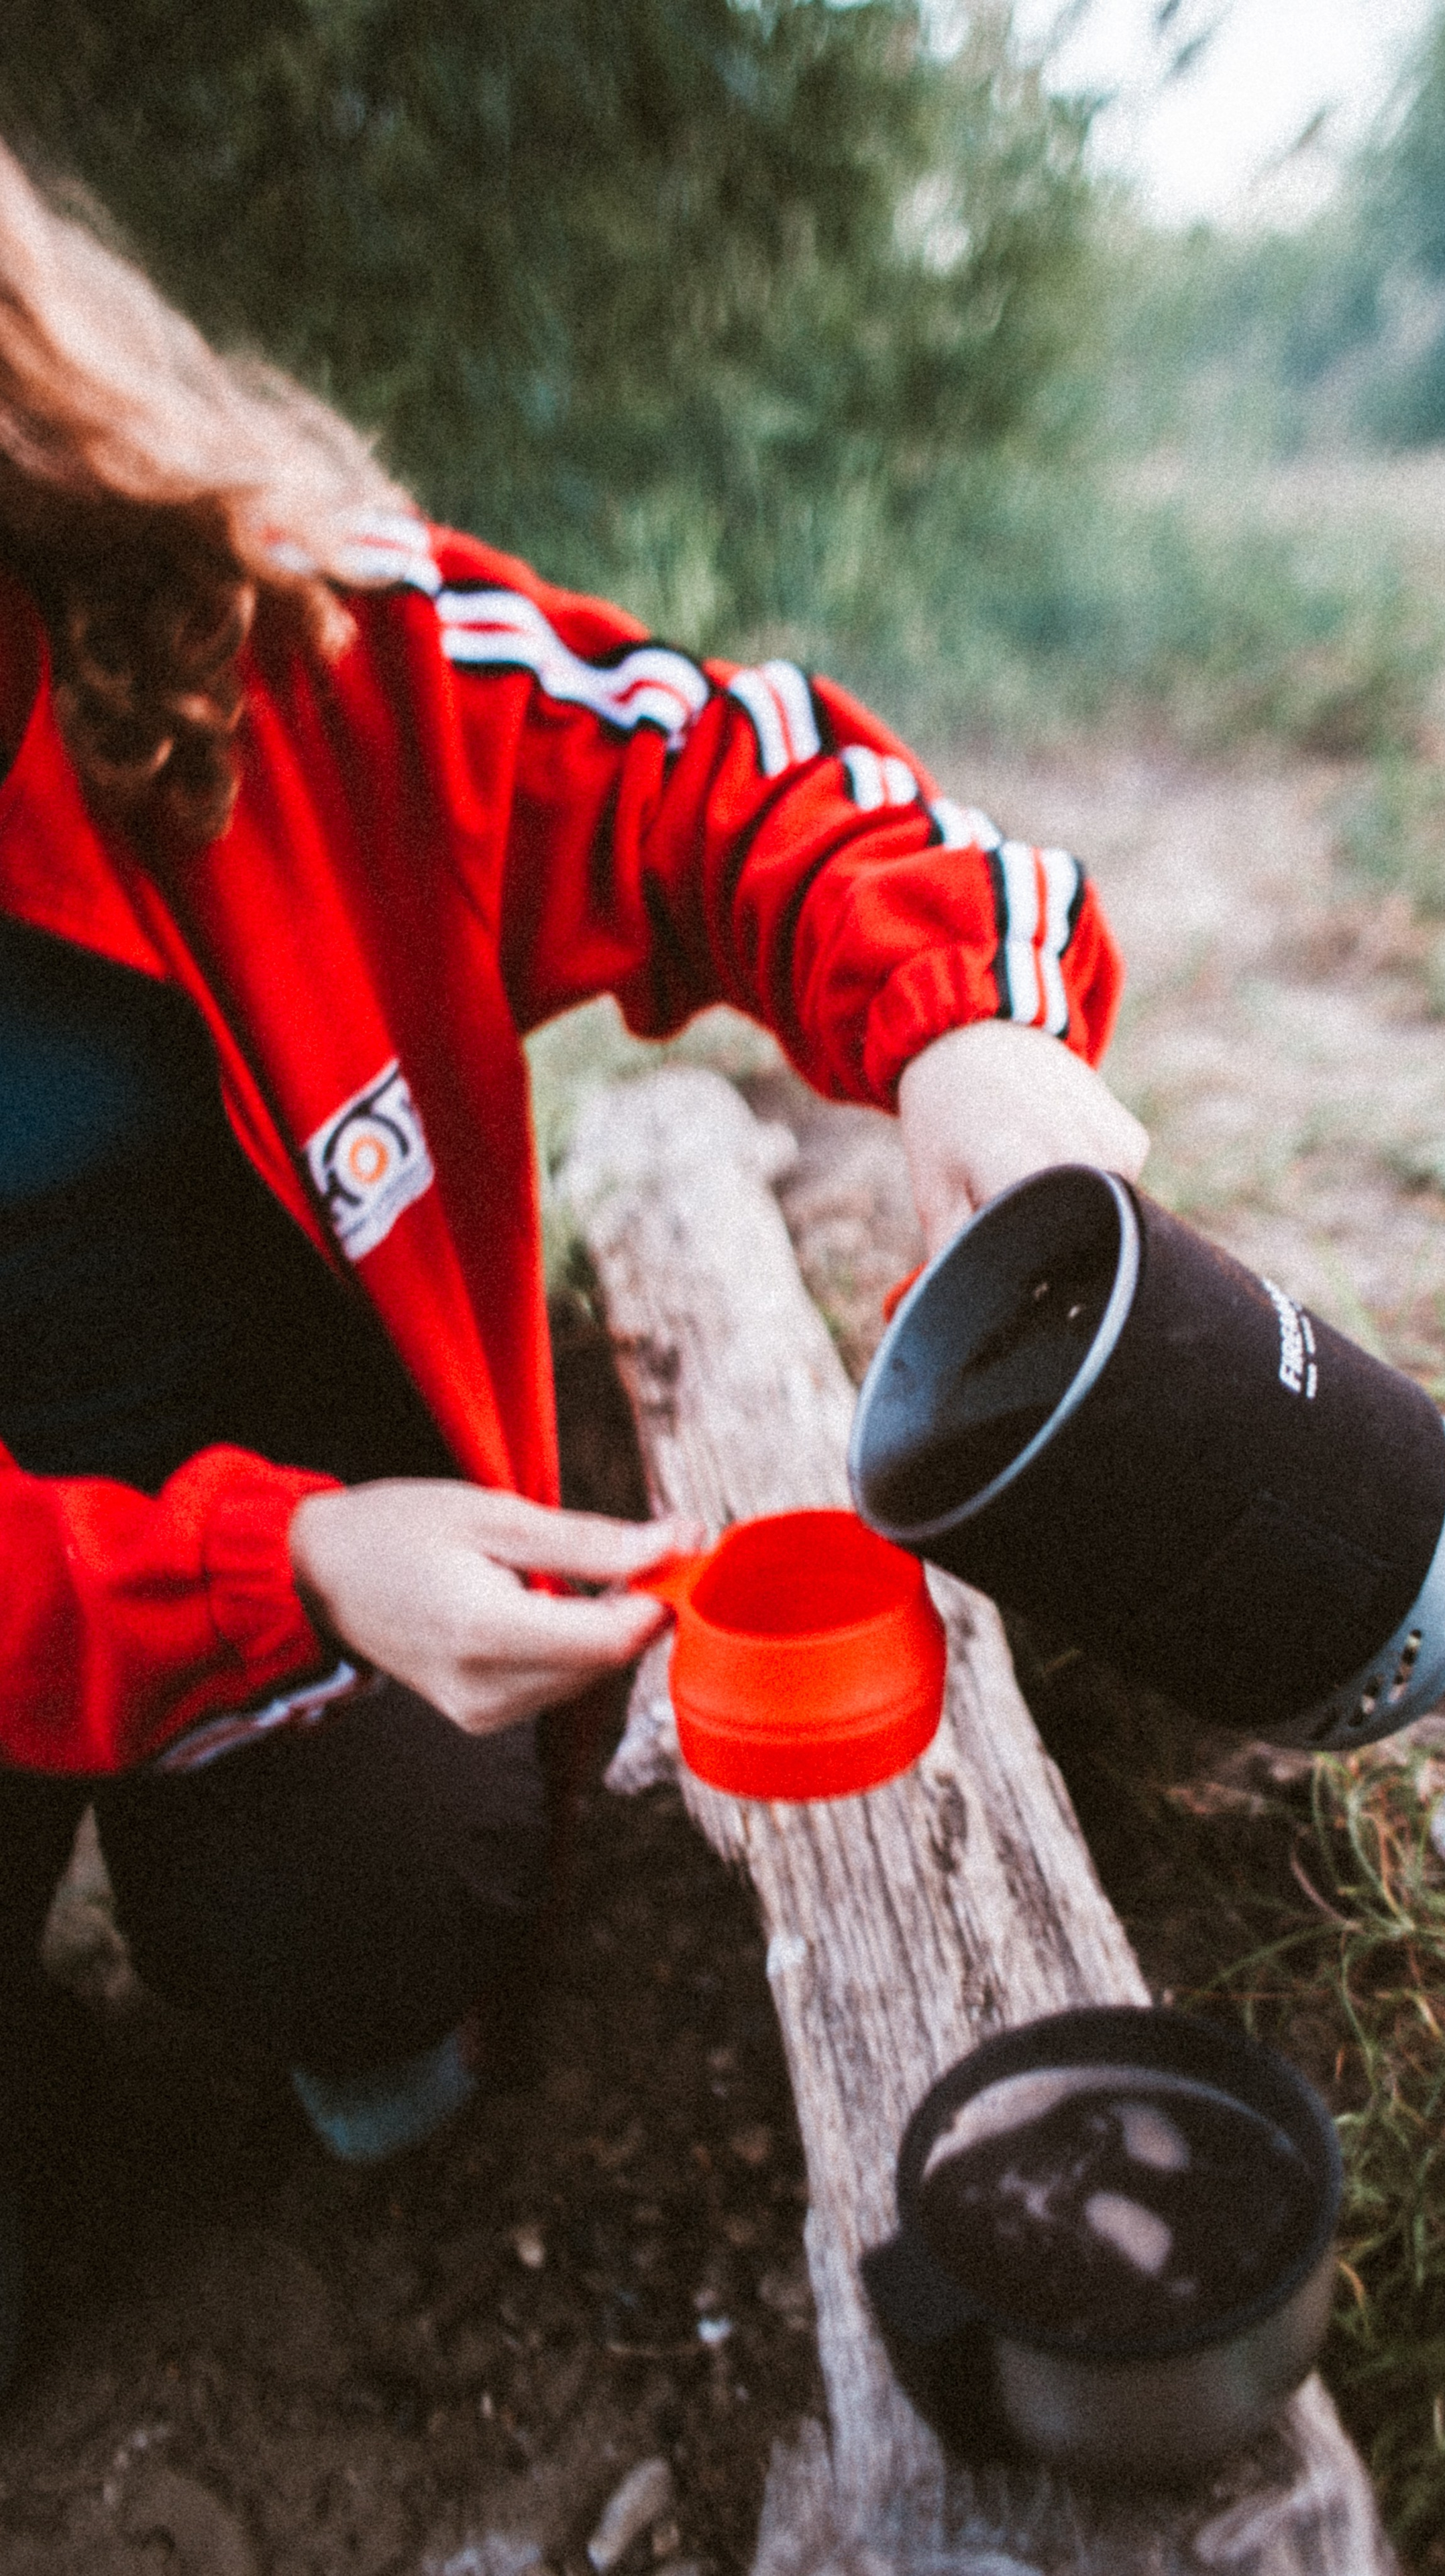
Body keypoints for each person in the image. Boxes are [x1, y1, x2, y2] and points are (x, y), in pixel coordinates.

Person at [0, 142, 1146, 2383]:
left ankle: (348, 2037)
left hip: (335, 1508)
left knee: (369, 1908)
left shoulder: (281, 639)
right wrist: (269, 1568)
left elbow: (730, 779)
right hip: (120, 1559)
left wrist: (966, 1038)